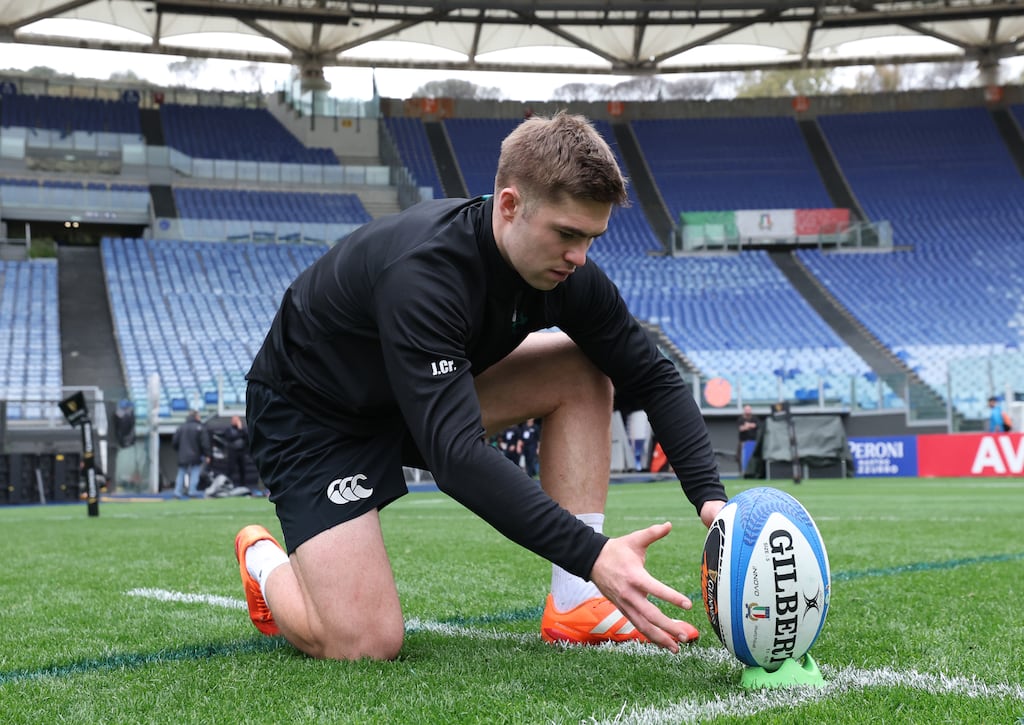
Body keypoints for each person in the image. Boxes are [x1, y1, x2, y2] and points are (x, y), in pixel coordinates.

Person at [234, 111, 727, 661]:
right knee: (365, 643)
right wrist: (595, 553)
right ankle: (263, 561)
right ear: (510, 205)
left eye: (591, 237)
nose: (579, 258)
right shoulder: (425, 274)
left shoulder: (564, 272)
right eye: (567, 234)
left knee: (583, 368)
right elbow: (457, 458)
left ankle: (575, 604)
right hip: (315, 416)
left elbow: (652, 373)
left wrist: (712, 501)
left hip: (416, 394)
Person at [171, 410, 209, 499]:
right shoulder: (199, 427)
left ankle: (177, 492)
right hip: (196, 455)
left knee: (181, 473)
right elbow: (205, 442)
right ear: (196, 417)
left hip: (183, 455)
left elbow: (174, 442)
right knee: (195, 473)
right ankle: (192, 492)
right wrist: (207, 454)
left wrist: (179, 451)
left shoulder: (181, 427)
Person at [736, 404, 760, 472]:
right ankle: (742, 472)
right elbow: (741, 428)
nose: (748, 411)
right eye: (746, 409)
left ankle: (753, 471)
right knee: (739, 457)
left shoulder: (754, 418)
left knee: (753, 457)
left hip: (753, 442)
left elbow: (757, 425)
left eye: (749, 409)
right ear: (744, 410)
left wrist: (748, 425)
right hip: (743, 442)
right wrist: (750, 426)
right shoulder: (740, 419)